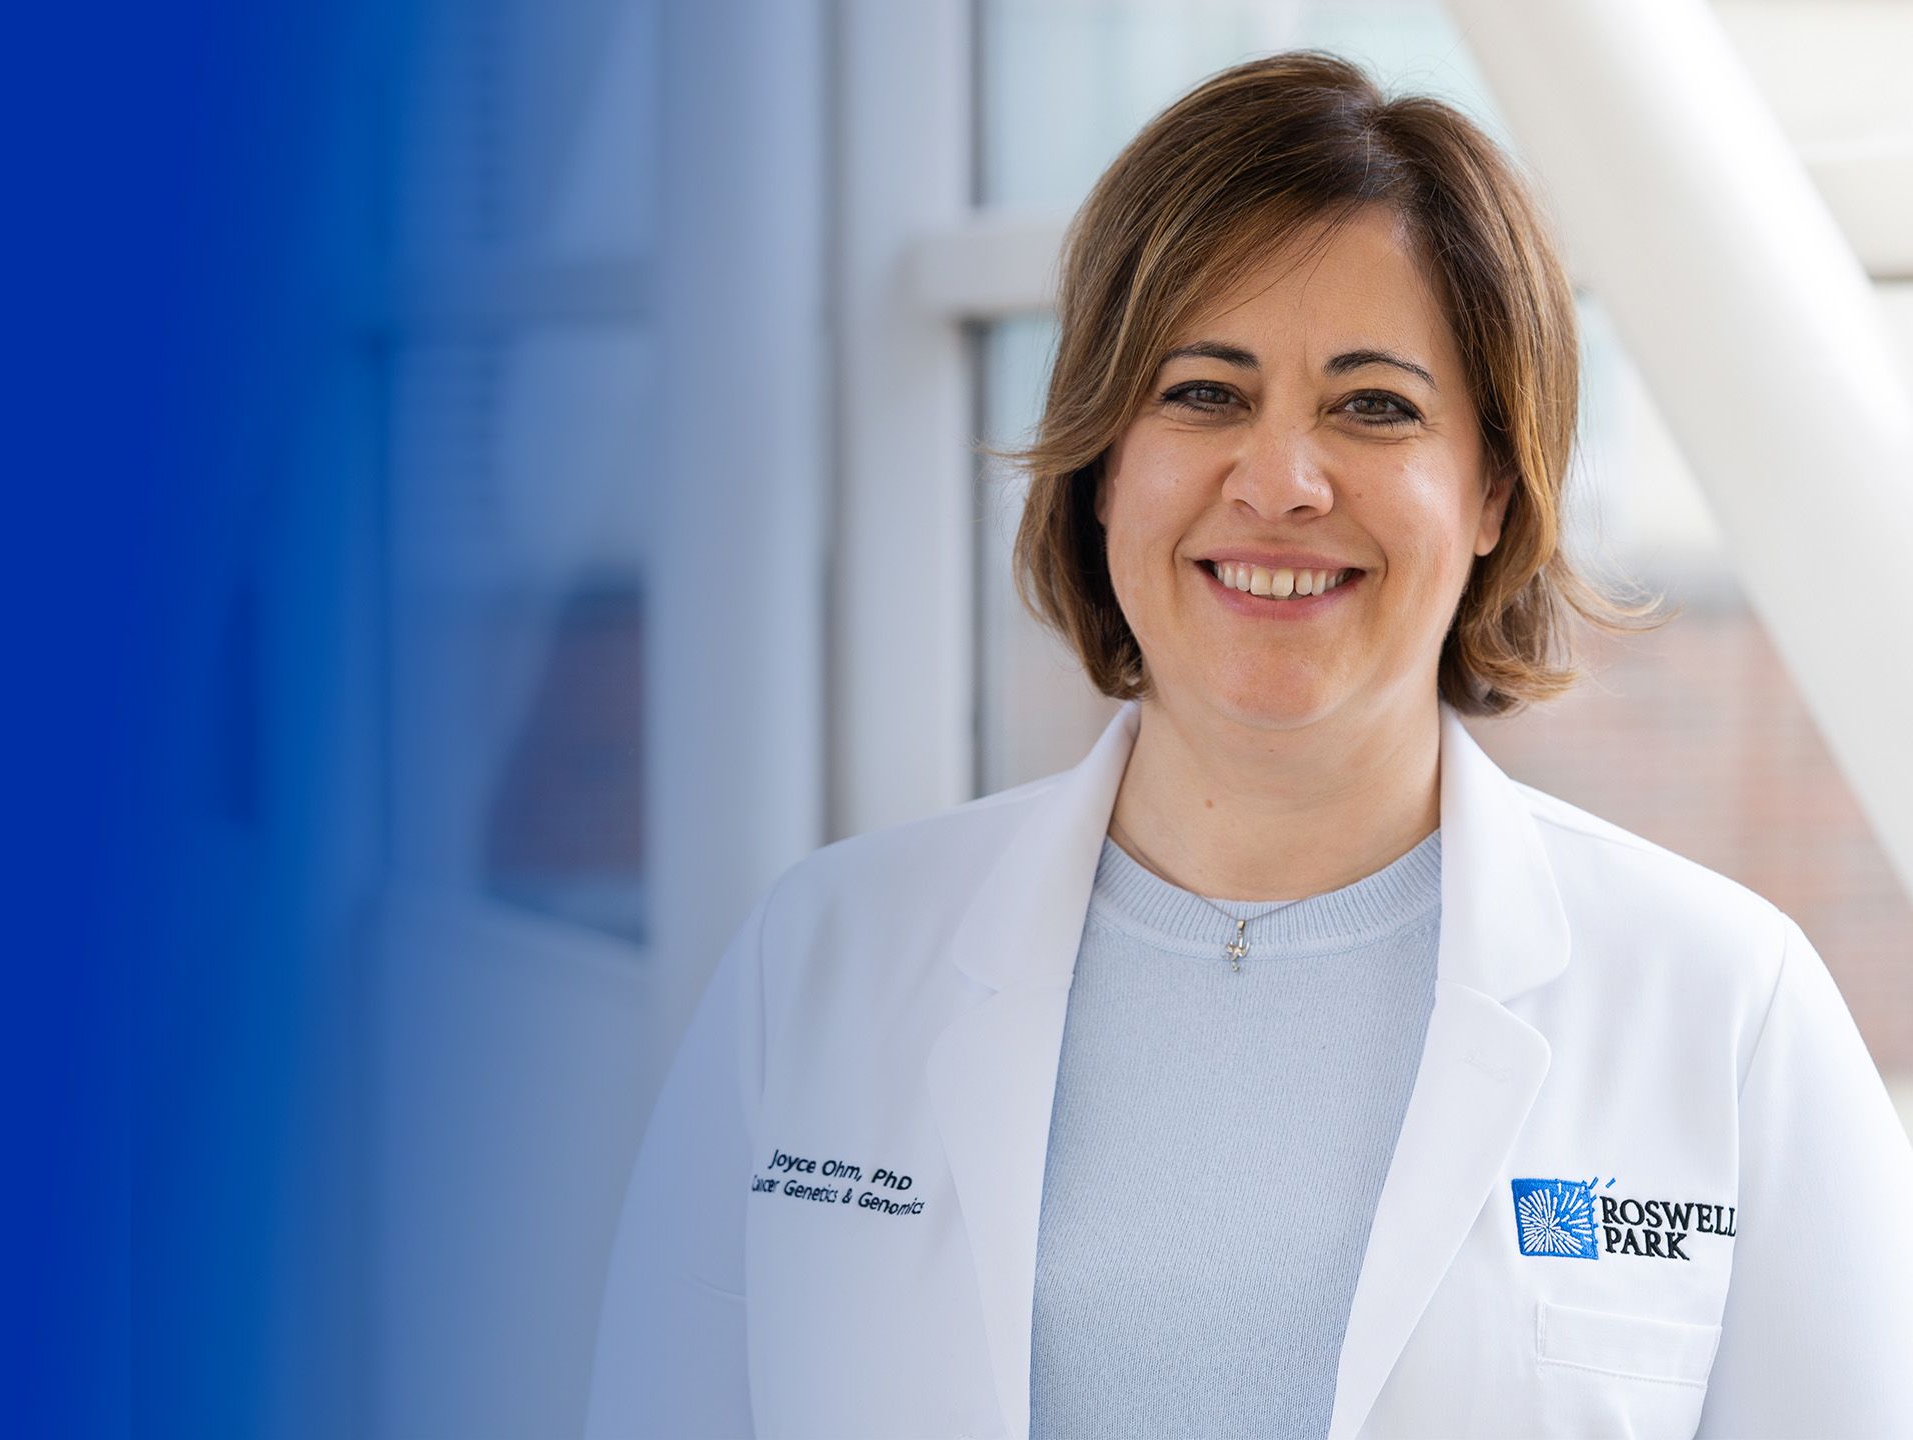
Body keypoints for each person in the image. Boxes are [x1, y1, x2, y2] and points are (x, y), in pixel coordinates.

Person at [583, 49, 1913, 1440]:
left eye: (1374, 406)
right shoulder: (825, 960)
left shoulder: (1725, 1005)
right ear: (1104, 467)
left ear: (1495, 492)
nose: (1280, 481)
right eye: (1204, 393)